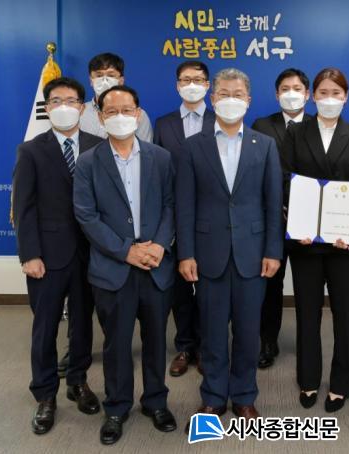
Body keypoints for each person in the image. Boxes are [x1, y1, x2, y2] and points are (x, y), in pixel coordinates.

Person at [176, 68, 283, 431]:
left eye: (238, 94)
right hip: (208, 254)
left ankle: (245, 396)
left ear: (248, 101)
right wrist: (186, 253)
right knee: (212, 332)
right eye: (224, 93)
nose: (230, 99)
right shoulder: (193, 146)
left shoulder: (264, 145)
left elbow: (273, 203)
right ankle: (213, 396)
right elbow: (185, 205)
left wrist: (273, 250)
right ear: (212, 98)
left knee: (249, 332)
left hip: (253, 254)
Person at [73, 85, 177, 444]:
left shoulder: (161, 157)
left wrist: (159, 245)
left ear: (138, 114)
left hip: (156, 266)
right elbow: (86, 215)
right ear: (100, 117)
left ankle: (156, 402)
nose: (120, 117)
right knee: (116, 344)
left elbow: (171, 205)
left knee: (156, 340)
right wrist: (125, 251)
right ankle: (116, 407)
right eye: (111, 111)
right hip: (112, 269)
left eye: (126, 110)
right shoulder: (88, 162)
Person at [12, 77, 102, 435]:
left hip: (91, 253)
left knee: (82, 324)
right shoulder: (31, 150)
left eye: (71, 101)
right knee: (45, 327)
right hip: (47, 256)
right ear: (47, 107)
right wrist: (29, 254)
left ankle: (77, 381)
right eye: (56, 101)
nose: (64, 107)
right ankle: (45, 394)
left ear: (82, 106)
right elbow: (24, 208)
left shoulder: (99, 145)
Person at [280, 67, 349, 413]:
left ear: (346, 97)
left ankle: (343, 382)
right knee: (307, 313)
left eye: (336, 93)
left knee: (346, 314)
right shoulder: (296, 132)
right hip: (305, 242)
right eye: (323, 93)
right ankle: (308, 379)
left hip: (344, 244)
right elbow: (286, 179)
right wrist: (296, 222)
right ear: (312, 97)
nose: (329, 99)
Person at [154, 60, 215, 377]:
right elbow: (156, 171)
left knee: (208, 285)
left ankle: (207, 346)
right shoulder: (163, 124)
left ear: (208, 84)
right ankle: (185, 346)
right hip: (174, 215)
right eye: (185, 79)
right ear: (177, 85)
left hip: (210, 216)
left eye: (198, 79)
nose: (192, 85)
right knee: (179, 287)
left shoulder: (221, 120)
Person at [251, 68, 313, 369]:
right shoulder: (262, 125)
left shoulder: (318, 126)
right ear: (276, 94)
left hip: (308, 224)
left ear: (307, 94)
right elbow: (254, 171)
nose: (291, 93)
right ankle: (267, 341)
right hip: (271, 221)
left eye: (297, 88)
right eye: (285, 88)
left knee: (307, 286)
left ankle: (308, 344)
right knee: (270, 286)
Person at [79, 52, 153, 142]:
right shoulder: (81, 113)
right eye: (99, 75)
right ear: (91, 81)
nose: (104, 80)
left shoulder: (137, 114)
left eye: (111, 75)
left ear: (121, 80)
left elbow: (145, 148)